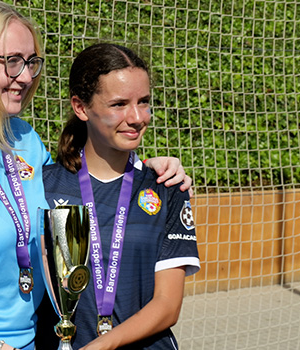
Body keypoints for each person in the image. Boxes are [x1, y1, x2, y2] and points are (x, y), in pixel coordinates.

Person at [0, 2, 192, 350]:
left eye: (31, 62)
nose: (25, 76)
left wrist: (148, 167)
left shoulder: (26, 141)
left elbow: (80, 182)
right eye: (11, 62)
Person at [39, 43, 201, 349]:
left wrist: (102, 346)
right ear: (81, 107)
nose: (137, 117)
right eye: (119, 104)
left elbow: (168, 306)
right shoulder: (45, 188)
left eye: (144, 102)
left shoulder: (168, 187)